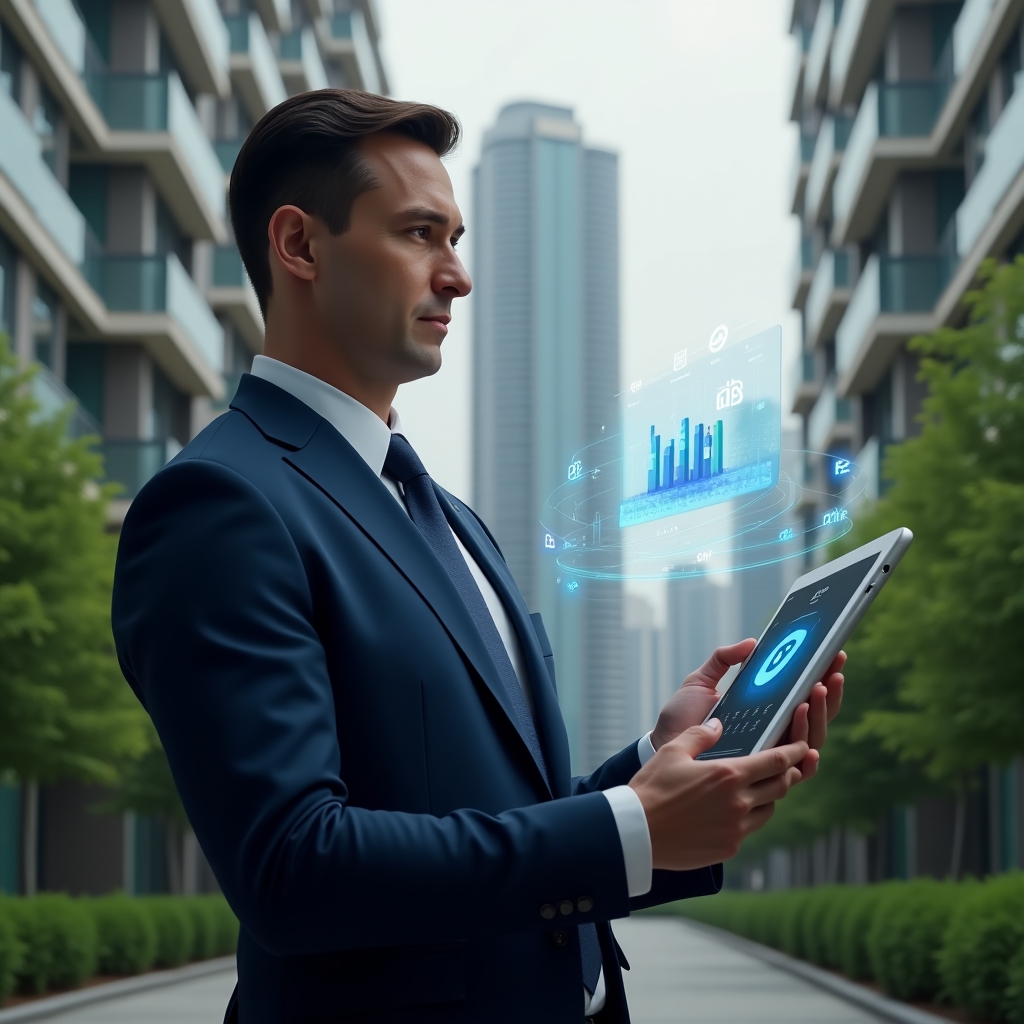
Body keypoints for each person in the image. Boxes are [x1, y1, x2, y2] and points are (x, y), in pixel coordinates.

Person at [111, 90, 844, 1024]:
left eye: (455, 239)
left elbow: (504, 815)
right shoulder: (219, 505)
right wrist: (629, 824)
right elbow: (293, 867)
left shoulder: (448, 516)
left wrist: (660, 765)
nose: (457, 276)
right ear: (298, 245)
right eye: (420, 234)